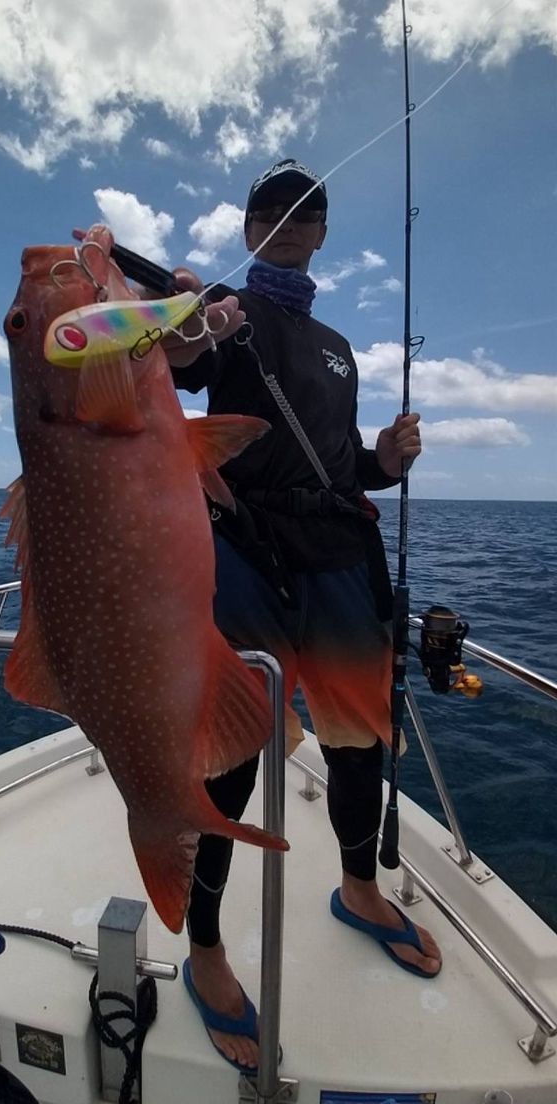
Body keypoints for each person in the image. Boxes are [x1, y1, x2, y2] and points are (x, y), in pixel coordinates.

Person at [164, 159, 442, 1074]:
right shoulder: (222, 310)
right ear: (249, 230)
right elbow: (180, 359)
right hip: (244, 553)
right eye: (271, 208)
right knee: (237, 752)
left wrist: (387, 461)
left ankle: (358, 889)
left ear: (321, 231)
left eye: (307, 209)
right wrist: (178, 328)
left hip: (335, 557)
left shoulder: (337, 347)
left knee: (362, 739)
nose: (289, 219)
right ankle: (204, 943)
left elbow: (336, 464)